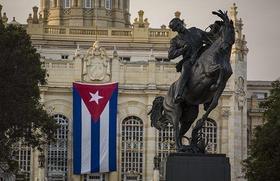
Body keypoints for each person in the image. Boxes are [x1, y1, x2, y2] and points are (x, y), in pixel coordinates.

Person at [168, 17, 213, 103]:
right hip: (190, 60)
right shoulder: (175, 40)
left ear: (181, 22)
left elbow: (208, 36)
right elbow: (170, 55)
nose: (178, 28)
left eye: (178, 25)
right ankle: (178, 94)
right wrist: (182, 50)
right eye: (175, 28)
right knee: (185, 71)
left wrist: (213, 29)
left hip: (203, 56)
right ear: (174, 30)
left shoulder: (195, 31)